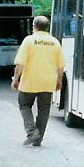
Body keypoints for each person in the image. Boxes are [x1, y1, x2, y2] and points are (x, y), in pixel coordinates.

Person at [11, 16, 65, 146]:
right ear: (47, 27)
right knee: (44, 110)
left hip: (30, 81)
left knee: (24, 104)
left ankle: (31, 131)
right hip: (48, 82)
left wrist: (16, 79)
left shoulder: (29, 40)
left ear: (34, 26)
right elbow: (60, 66)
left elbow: (20, 63)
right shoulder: (55, 42)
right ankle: (38, 139)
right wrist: (59, 80)